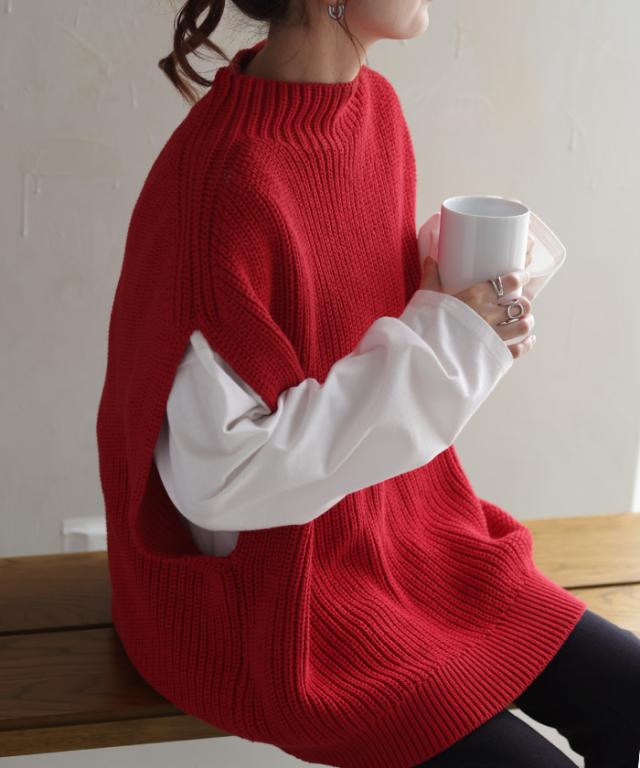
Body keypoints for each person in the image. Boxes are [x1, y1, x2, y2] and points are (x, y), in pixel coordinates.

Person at [96, 1, 640, 766]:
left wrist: (457, 306)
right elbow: (220, 480)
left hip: (414, 541)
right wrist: (449, 344)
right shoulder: (220, 188)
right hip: (273, 610)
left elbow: (342, 325)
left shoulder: (374, 110)